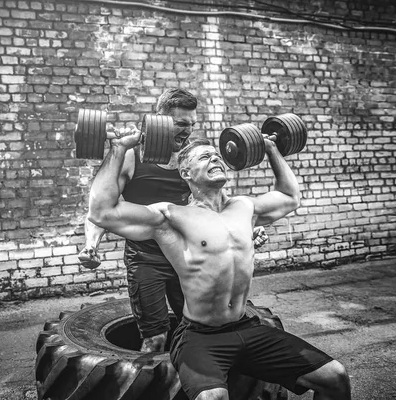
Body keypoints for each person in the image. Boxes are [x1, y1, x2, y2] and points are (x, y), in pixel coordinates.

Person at [87, 132, 352, 399]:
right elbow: (101, 212)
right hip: (200, 337)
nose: (215, 157)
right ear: (186, 173)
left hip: (247, 326)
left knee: (335, 376)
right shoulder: (171, 216)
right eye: (205, 156)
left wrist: (271, 148)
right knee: (212, 398)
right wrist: (119, 148)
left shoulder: (245, 207)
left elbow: (290, 196)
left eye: (217, 155)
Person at [77, 89, 269, 352]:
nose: (188, 131)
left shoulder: (192, 161)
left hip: (189, 257)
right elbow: (103, 207)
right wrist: (91, 245)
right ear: (159, 121)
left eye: (191, 125)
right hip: (146, 260)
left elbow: (218, 202)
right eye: (181, 124)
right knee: (155, 339)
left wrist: (244, 229)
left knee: (199, 328)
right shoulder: (132, 158)